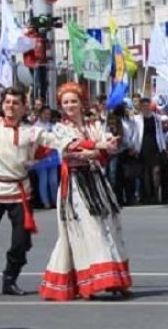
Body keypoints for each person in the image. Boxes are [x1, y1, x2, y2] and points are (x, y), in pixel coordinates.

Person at [38, 83, 133, 301]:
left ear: (82, 103)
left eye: (74, 101)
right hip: (75, 183)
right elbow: (72, 149)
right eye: (66, 102)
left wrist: (106, 145)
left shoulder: (94, 125)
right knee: (87, 229)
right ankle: (90, 281)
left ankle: (115, 278)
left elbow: (102, 152)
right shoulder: (60, 129)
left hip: (96, 180)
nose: (70, 105)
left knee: (109, 225)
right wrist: (98, 147)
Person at [0, 87, 69, 295]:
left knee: (21, 241)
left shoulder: (32, 132)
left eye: (15, 103)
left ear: (24, 107)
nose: (10, 106)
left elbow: (59, 141)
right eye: (7, 102)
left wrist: (94, 145)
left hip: (20, 192)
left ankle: (10, 279)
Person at [135, 98, 166, 204]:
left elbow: (160, 133)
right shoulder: (137, 119)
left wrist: (163, 147)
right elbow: (135, 134)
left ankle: (156, 194)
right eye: (143, 106)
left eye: (147, 105)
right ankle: (147, 196)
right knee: (146, 173)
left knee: (156, 172)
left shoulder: (156, 118)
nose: (145, 108)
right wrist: (134, 147)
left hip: (155, 146)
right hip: (143, 147)